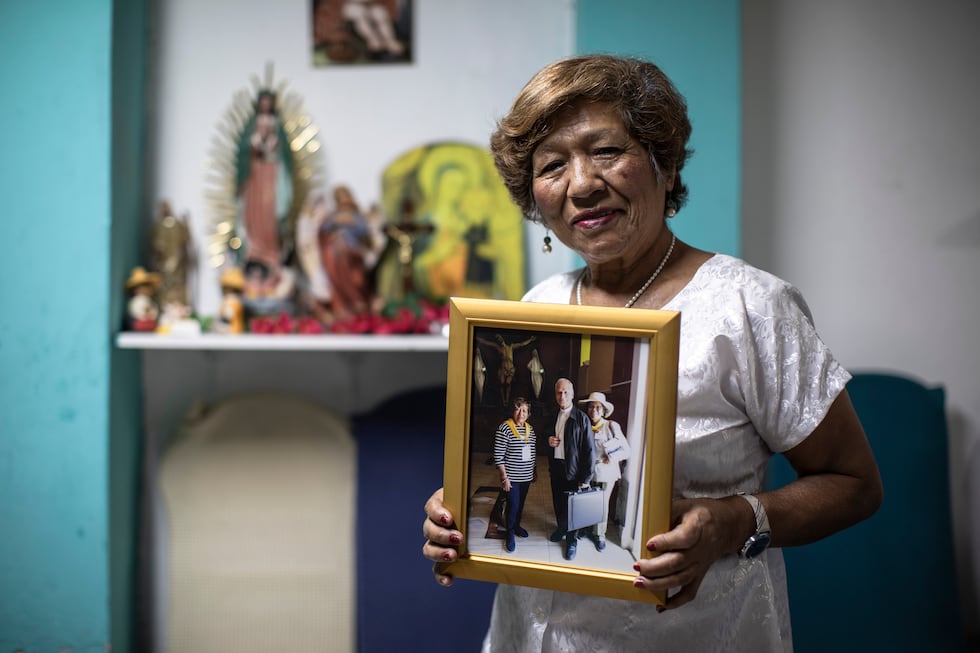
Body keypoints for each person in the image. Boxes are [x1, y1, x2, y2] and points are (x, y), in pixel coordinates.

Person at [422, 54, 882, 651]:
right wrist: (456, 509)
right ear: (535, 197)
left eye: (606, 151)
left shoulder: (748, 306)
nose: (582, 183)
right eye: (552, 165)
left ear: (663, 162)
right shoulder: (540, 304)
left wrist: (732, 522)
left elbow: (854, 484)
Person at [545, 377, 594, 561]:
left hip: (574, 472)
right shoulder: (552, 415)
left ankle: (572, 541)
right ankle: (561, 529)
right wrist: (548, 440)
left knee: (573, 509)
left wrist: (586, 479)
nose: (562, 395)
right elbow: (545, 436)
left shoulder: (582, 419)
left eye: (566, 392)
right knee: (558, 503)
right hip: (556, 469)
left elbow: (590, 451)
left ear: (572, 394)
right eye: (559, 392)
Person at [579, 391, 631, 552]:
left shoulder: (611, 426)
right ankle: (587, 529)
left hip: (606, 472)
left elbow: (626, 450)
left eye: (597, 407)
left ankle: (599, 535)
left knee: (602, 504)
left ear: (603, 410)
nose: (594, 410)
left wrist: (612, 456)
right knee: (589, 502)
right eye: (591, 407)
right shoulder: (585, 425)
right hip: (588, 472)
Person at [492, 397, 537, 554]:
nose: (521, 413)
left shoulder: (530, 430)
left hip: (526, 476)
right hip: (511, 478)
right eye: (518, 409)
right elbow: (498, 455)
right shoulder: (505, 428)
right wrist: (504, 477)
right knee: (514, 505)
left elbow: (532, 452)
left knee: (521, 504)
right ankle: (510, 532)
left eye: (524, 410)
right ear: (513, 411)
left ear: (528, 414)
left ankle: (516, 525)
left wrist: (534, 471)